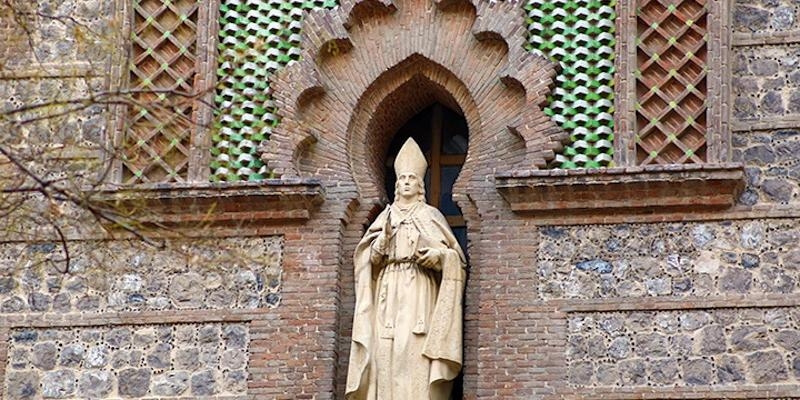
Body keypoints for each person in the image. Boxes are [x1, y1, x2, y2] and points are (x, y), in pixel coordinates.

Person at [346, 138, 467, 400]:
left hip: (420, 289)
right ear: (396, 184)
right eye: (403, 179)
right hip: (388, 290)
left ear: (420, 184)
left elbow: (455, 258)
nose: (407, 182)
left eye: (412, 178)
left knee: (413, 348)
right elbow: (367, 260)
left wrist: (436, 257)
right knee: (386, 350)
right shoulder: (384, 217)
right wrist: (382, 241)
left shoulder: (431, 216)